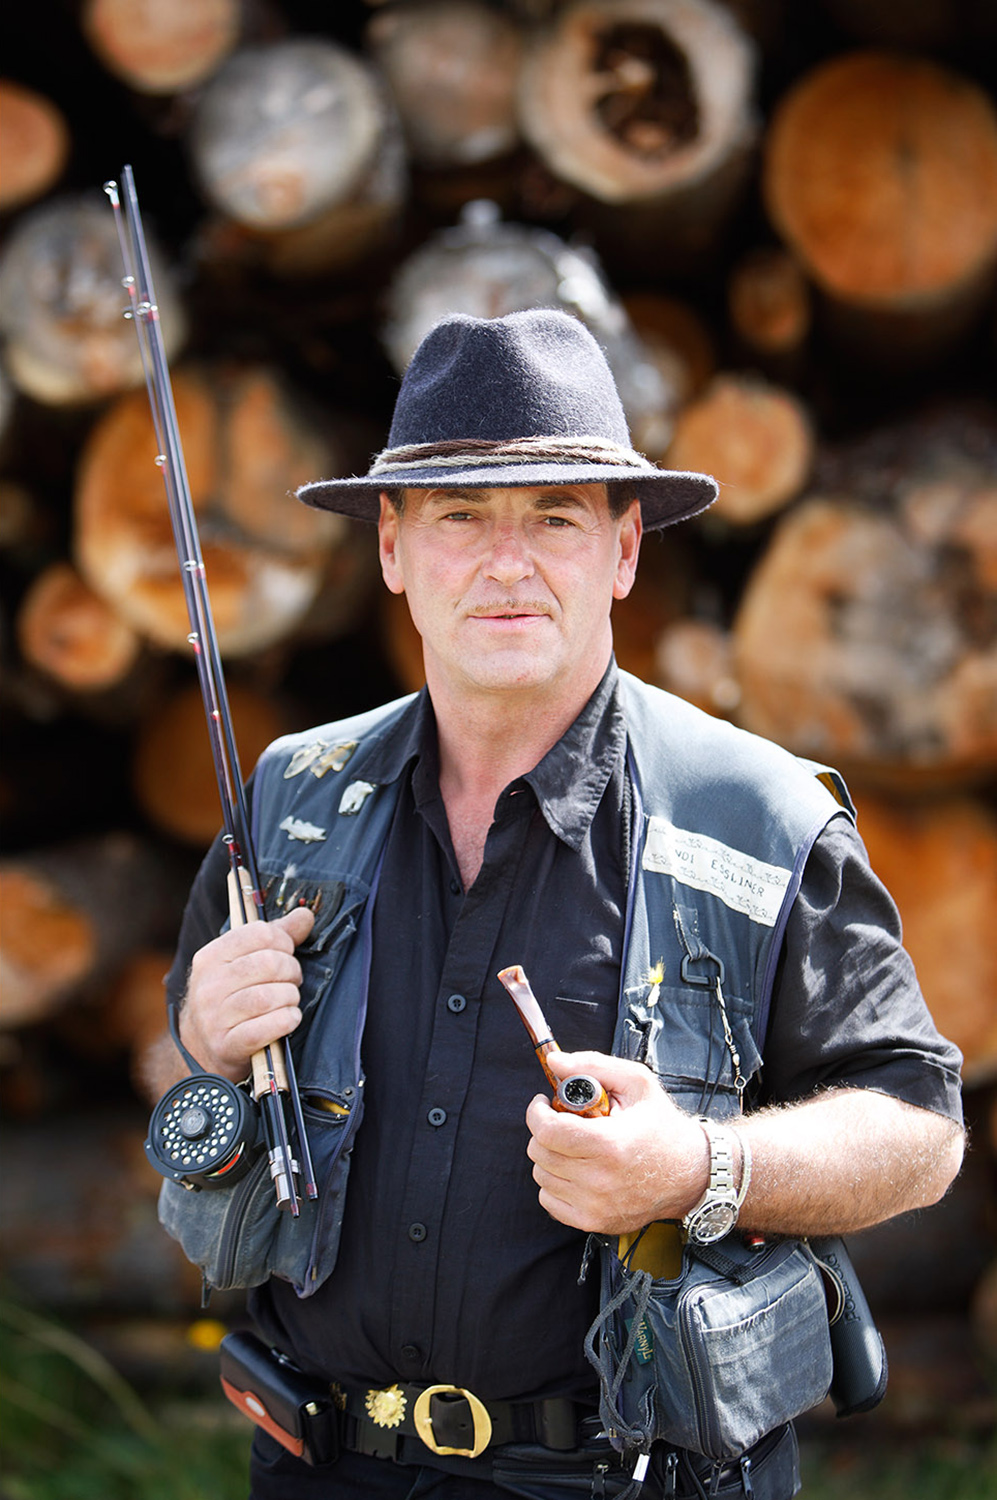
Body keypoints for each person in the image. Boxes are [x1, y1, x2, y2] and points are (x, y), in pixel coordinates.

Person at [147, 309, 964, 1500]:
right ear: (392, 548)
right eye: (461, 516)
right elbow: (191, 1072)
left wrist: (695, 1165)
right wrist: (204, 1041)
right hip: (326, 1469)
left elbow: (919, 1130)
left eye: (555, 518)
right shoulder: (291, 798)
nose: (507, 561)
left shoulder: (758, 816)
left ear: (625, 553)